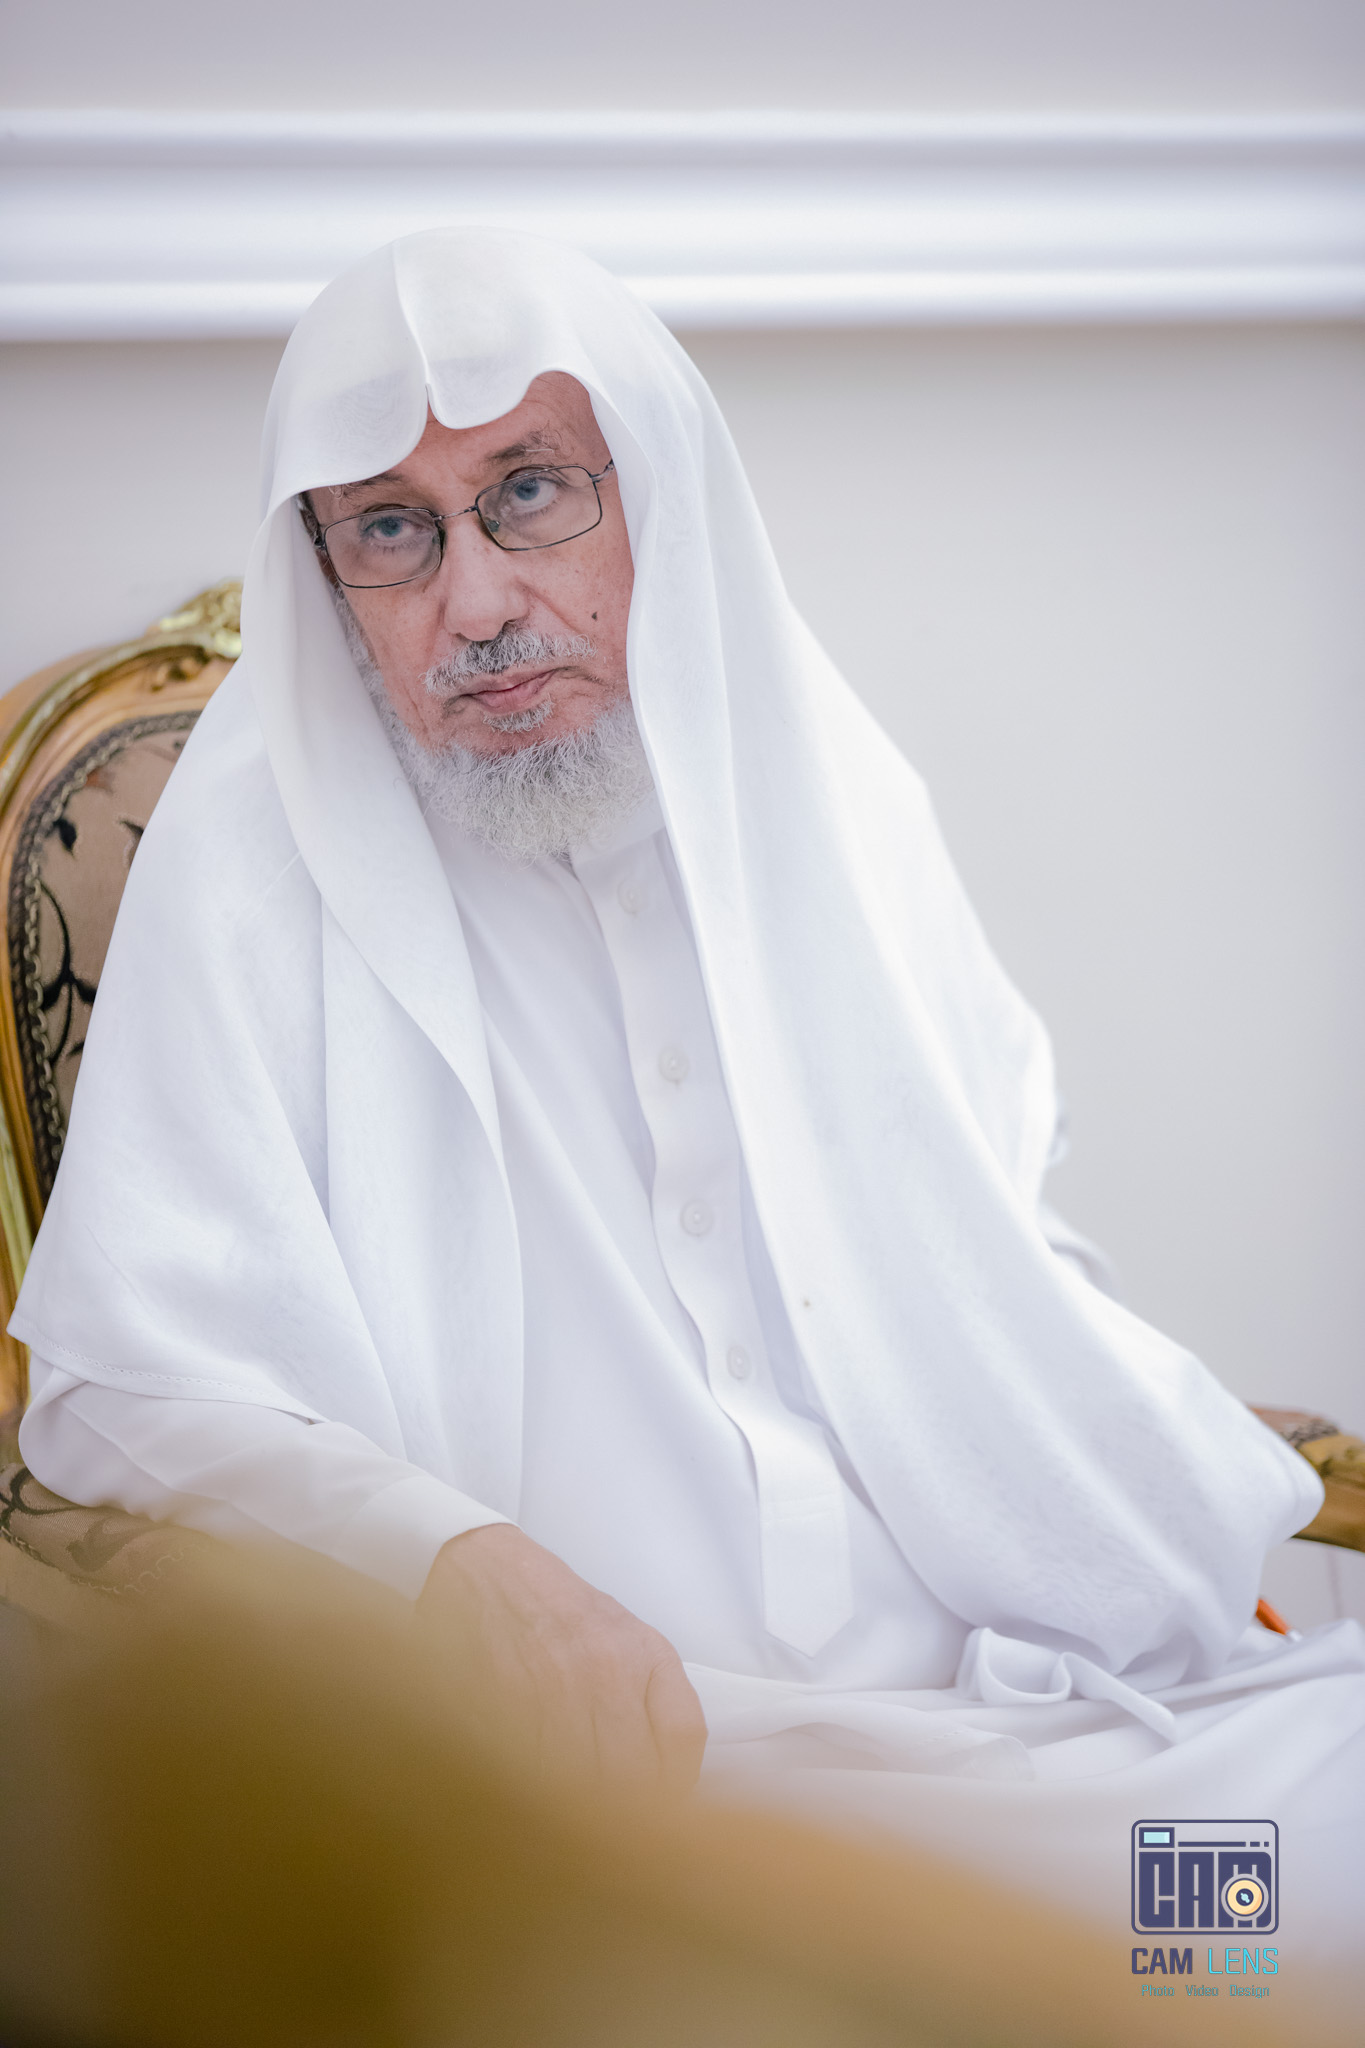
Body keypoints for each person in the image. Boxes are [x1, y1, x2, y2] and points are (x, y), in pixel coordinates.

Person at [13, 229, 1365, 1972]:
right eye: (392, 531)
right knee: (1112, 1963)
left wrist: (1126, 1516)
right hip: (647, 1795)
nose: (475, 605)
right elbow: (123, 1388)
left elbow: (1001, 1237)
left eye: (529, 494)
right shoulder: (249, 857)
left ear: (649, 488)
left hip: (1037, 1713)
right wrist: (460, 1560)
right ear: (327, 574)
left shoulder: (830, 787)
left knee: (1283, 1889)